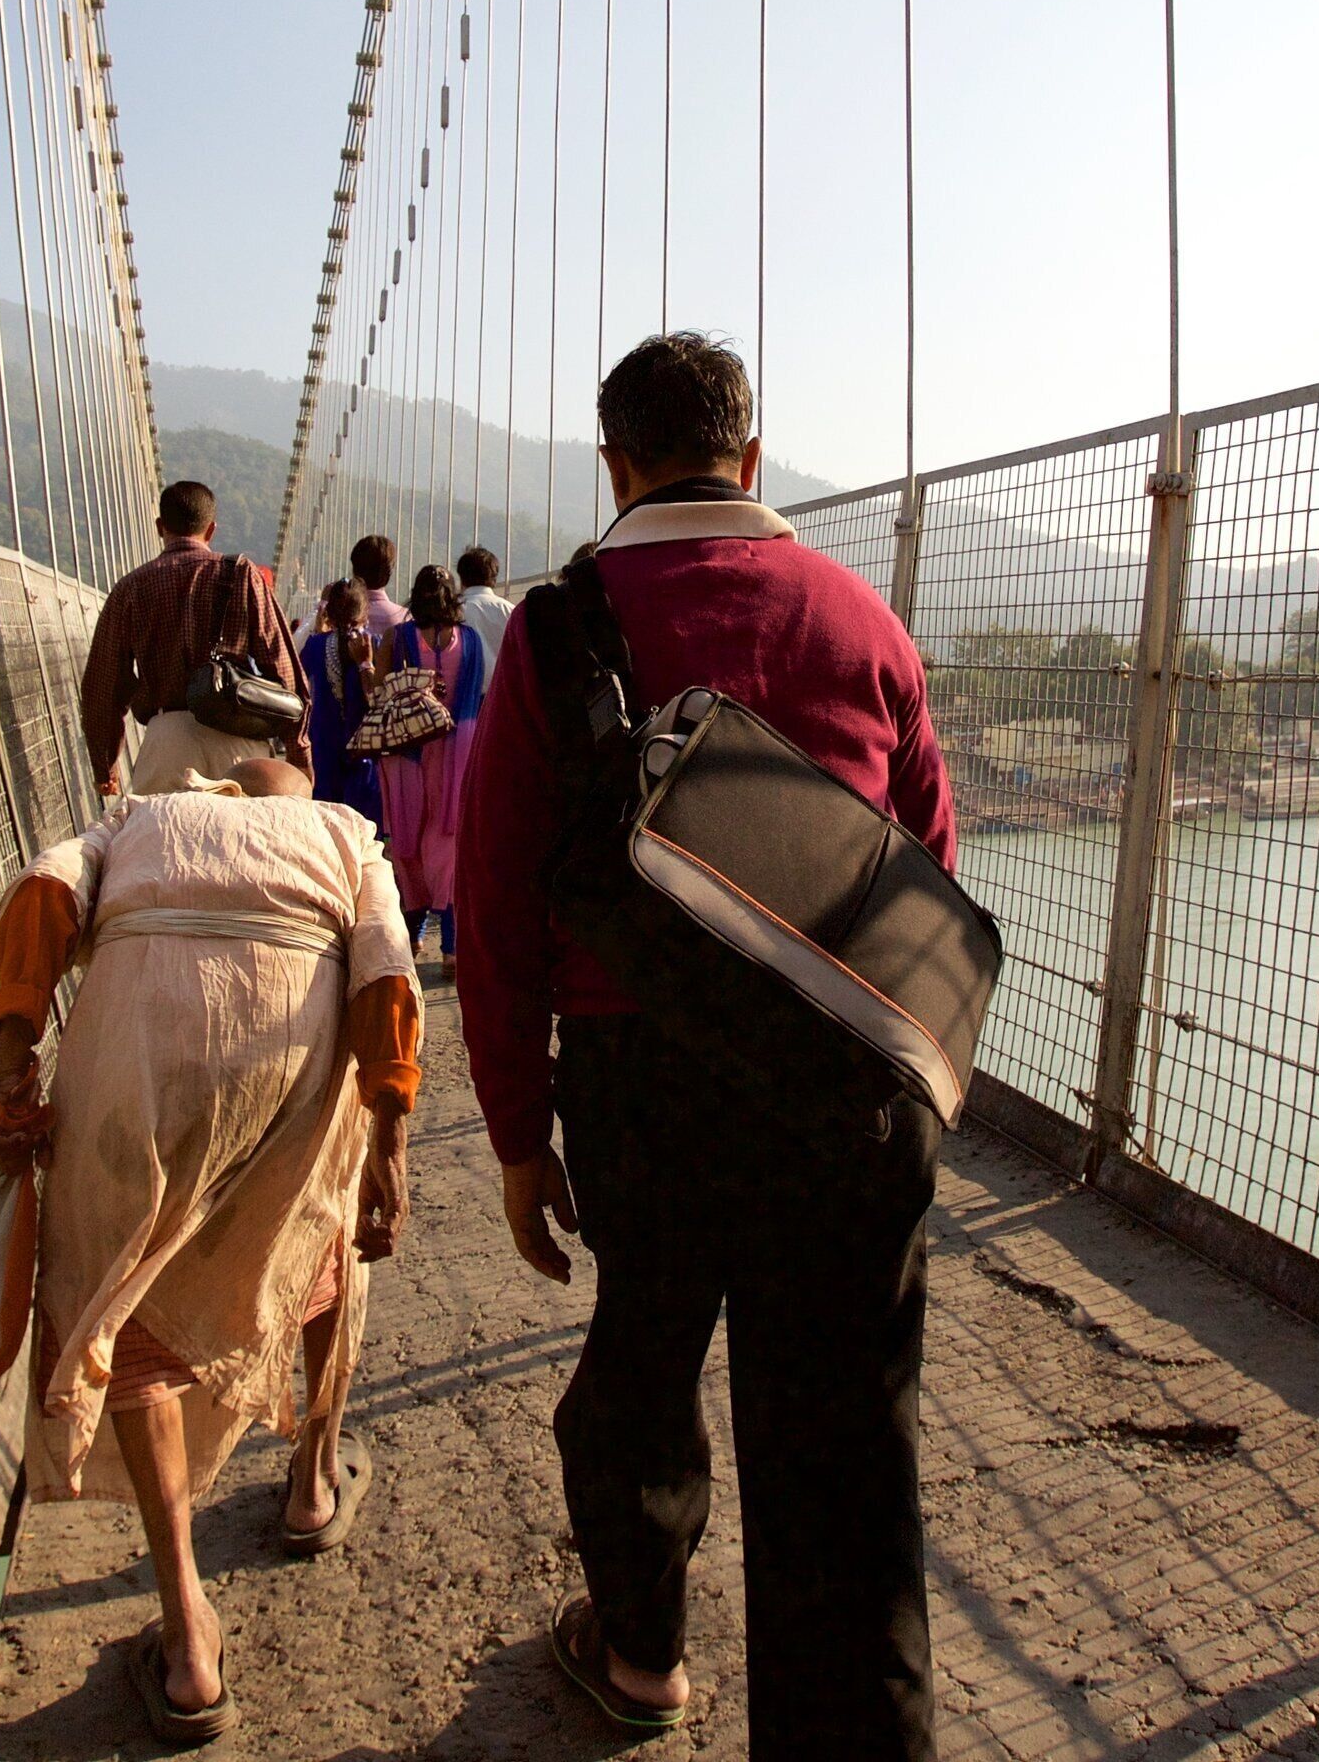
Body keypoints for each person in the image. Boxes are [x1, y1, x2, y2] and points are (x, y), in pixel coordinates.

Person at [458, 332, 955, 1757]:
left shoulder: (561, 627)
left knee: (645, 1357)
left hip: (638, 1081)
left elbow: (497, 905)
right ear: (752, 453)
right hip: (844, 1082)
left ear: (612, 461)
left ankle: (641, 1653)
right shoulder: (865, 621)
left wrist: (514, 1132)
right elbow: (930, 861)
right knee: (847, 1449)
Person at [0, 756, 419, 1748]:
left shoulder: (141, 817)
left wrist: (14, 1048)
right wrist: (388, 1132)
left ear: (220, 790)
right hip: (289, 1040)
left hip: (134, 1038)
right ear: (293, 796)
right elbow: (386, 965)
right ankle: (310, 1484)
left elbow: (47, 890)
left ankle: (187, 1643)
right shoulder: (346, 834)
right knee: (313, 1236)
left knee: (123, 1292)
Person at [80, 481, 307, 798]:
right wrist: (299, 749)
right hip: (238, 739)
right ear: (211, 529)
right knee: (243, 844)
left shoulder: (129, 588)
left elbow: (102, 688)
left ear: (160, 526)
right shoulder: (242, 574)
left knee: (164, 845)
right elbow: (285, 671)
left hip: (166, 742)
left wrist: (105, 766)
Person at [374, 563, 488, 967]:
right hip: (457, 751)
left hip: (409, 753)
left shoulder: (398, 637)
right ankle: (452, 949)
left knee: (408, 844)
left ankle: (413, 936)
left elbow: (380, 690)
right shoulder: (470, 641)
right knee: (449, 843)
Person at [299, 578, 385, 824]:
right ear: (365, 612)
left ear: (330, 614)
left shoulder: (314, 646)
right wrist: (365, 664)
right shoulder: (374, 645)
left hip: (322, 752)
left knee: (325, 826)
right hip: (364, 754)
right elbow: (378, 698)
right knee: (362, 831)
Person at [455, 544, 514, 652]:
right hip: (500, 669)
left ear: (461, 577)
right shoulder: (510, 610)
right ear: (494, 578)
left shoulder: (452, 610)